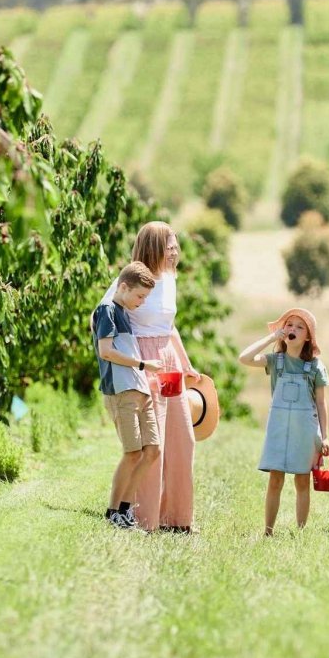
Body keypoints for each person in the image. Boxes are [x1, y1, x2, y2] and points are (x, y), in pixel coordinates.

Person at [126, 222, 203, 533]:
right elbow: (102, 315)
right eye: (169, 244)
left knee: (183, 438)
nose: (174, 250)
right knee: (152, 443)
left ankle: (177, 518)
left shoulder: (170, 278)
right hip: (144, 360)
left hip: (168, 361)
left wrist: (185, 363)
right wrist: (128, 356)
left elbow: (169, 326)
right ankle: (145, 520)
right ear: (153, 246)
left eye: (175, 244)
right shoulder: (132, 278)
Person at [240, 308, 329, 536]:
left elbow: (321, 404)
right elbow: (244, 358)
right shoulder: (275, 361)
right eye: (289, 325)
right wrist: (273, 337)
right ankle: (268, 532)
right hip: (279, 429)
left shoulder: (315, 367)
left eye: (300, 327)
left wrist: (325, 436)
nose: (293, 329)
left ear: (308, 337)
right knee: (275, 480)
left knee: (302, 481)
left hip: (305, 431)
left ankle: (300, 533)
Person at [93, 262, 163, 530]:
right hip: (121, 390)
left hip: (139, 388)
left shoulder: (123, 311)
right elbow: (106, 352)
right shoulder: (107, 310)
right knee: (132, 452)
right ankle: (114, 512)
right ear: (123, 287)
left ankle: (124, 509)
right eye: (140, 296)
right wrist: (143, 365)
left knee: (152, 451)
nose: (142, 302)